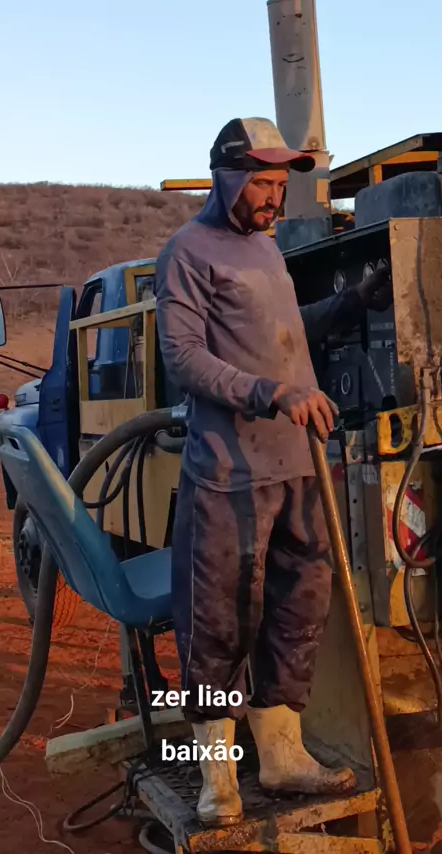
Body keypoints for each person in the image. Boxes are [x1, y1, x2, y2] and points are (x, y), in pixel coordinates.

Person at [155, 117, 391, 828]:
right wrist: (272, 393)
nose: (273, 196)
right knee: (219, 624)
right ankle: (218, 779)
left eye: (279, 183)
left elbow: (280, 336)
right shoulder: (188, 252)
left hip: (297, 466)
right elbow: (183, 358)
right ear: (227, 177)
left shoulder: (265, 249)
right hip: (228, 476)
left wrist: (350, 302)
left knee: (298, 610)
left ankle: (282, 757)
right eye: (260, 182)